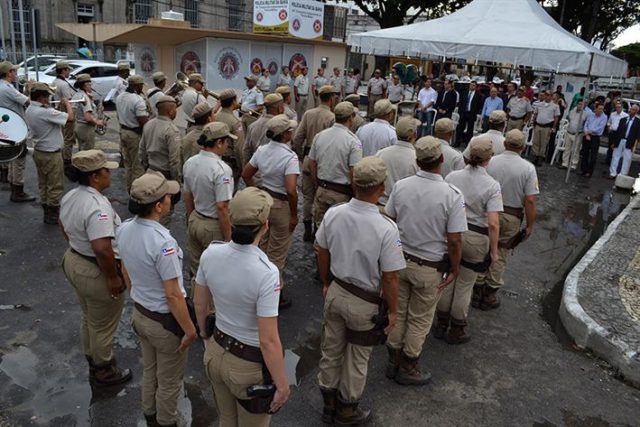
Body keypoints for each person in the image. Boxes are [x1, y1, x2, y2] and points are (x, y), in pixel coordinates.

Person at [316, 156, 405, 425]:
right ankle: (346, 409)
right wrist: (393, 311)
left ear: (354, 185)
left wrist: (326, 282)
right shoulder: (386, 228)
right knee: (356, 357)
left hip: (336, 291)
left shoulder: (335, 213)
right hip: (364, 302)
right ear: (381, 187)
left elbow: (322, 250)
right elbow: (390, 278)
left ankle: (328, 405)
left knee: (331, 348)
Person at [193, 188, 290, 426]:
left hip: (216, 350)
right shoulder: (267, 273)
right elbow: (268, 340)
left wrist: (206, 338)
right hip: (247, 365)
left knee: (227, 420)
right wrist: (282, 384)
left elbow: (199, 302)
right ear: (265, 226)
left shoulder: (211, 253)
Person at [117, 171, 196, 427]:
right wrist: (189, 330)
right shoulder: (164, 242)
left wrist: (138, 294)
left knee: (151, 371)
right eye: (167, 197)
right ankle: (166, 422)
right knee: (170, 380)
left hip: (141, 313)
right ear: (159, 205)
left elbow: (125, 269)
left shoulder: (125, 228)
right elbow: (173, 295)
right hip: (164, 321)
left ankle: (150, 416)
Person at [384, 137, 465, 385]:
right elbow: (454, 240)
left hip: (400, 261)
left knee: (398, 312)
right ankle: (408, 365)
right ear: (441, 159)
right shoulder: (452, 195)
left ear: (417, 161)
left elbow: (389, 221)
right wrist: (455, 267)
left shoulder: (401, 186)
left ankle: (393, 360)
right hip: (429, 267)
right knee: (420, 318)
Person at [59, 149, 132, 386]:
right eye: (106, 170)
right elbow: (102, 248)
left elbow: (63, 225)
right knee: (103, 323)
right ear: (95, 176)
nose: (110, 173)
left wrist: (77, 245)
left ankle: (92, 357)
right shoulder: (97, 206)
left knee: (89, 316)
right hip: (94, 268)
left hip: (75, 259)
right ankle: (104, 368)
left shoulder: (72, 195)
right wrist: (113, 277)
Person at [436, 137, 502, 343]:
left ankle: (441, 322)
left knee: (448, 278)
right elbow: (493, 223)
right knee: (465, 283)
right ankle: (457, 328)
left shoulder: (453, 176)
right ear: (488, 158)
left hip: (453, 232)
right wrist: (493, 250)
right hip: (476, 236)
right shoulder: (492, 185)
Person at [475, 129, 538, 309]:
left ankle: (477, 285)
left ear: (504, 144)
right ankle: (490, 292)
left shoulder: (491, 162)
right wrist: (530, 225)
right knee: (501, 252)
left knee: (485, 247)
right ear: (522, 147)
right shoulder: (528, 168)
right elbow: (531, 200)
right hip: (511, 214)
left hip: (488, 212)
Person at [243, 115, 300, 309]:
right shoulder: (290, 157)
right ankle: (273, 294)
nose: (292, 133)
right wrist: (294, 214)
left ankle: (254, 285)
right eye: (290, 131)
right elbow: (291, 190)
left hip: (265, 200)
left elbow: (246, 174)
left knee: (261, 245)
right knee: (277, 253)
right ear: (285, 135)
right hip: (281, 204)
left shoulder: (262, 150)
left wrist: (256, 191)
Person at [183, 122, 235, 288]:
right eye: (226, 141)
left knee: (197, 268)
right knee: (215, 272)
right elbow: (222, 207)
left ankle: (197, 304)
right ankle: (211, 311)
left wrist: (191, 217)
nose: (227, 145)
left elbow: (188, 194)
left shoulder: (190, 162)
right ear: (219, 142)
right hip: (213, 226)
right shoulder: (222, 169)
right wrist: (229, 239)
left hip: (195, 218)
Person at [292, 85, 337, 241]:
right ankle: (318, 230)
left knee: (307, 197)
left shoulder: (308, 113)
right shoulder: (331, 117)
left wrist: (300, 155)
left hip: (307, 159)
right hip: (323, 162)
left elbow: (297, 138)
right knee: (320, 198)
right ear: (331, 98)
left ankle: (306, 228)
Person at [25, 82, 74, 224]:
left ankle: (47, 209)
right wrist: (67, 104)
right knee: (55, 184)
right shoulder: (44, 112)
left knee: (43, 182)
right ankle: (52, 213)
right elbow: (70, 118)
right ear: (41, 97)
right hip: (51, 153)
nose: (48, 99)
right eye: (46, 96)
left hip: (39, 151)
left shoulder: (30, 109)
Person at [309, 102, 362, 226]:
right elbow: (354, 172)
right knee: (338, 230)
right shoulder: (353, 141)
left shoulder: (320, 136)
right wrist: (356, 196)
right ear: (350, 118)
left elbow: (312, 163)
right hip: (341, 194)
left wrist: (317, 184)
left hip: (322, 189)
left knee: (320, 227)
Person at [0, 60, 35, 202]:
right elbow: (29, 103)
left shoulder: (3, 87)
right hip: (16, 127)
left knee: (12, 157)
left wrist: (26, 91)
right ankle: (18, 190)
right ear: (9, 73)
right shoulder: (8, 88)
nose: (16, 73)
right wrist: (31, 89)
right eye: (14, 71)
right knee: (19, 158)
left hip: (6, 126)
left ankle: (13, 186)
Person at [375, 117, 420, 206]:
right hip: (404, 208)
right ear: (414, 135)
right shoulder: (417, 158)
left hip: (381, 205)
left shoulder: (381, 153)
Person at [116, 75, 149, 192]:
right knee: (138, 167)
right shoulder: (137, 99)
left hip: (123, 132)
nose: (142, 89)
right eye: (141, 86)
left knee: (128, 166)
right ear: (137, 85)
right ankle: (137, 193)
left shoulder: (120, 97)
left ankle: (129, 190)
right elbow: (143, 122)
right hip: (134, 135)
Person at [139, 95, 181, 181]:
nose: (176, 112)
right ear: (170, 112)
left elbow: (142, 151)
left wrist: (147, 168)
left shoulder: (148, 124)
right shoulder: (172, 130)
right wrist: (176, 181)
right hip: (165, 176)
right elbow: (174, 161)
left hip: (150, 171)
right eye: (175, 109)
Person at [215, 89, 245, 190]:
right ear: (233, 102)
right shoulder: (235, 122)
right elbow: (239, 148)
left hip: (214, 159)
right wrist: (241, 168)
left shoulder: (215, 117)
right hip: (229, 162)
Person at [243, 93, 286, 165]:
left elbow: (246, 150)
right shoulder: (280, 127)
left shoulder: (252, 125)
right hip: (272, 169)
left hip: (254, 170)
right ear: (280, 108)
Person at [53, 61, 77, 167]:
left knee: (62, 136)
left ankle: (63, 157)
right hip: (66, 112)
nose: (69, 72)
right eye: (68, 70)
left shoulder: (55, 81)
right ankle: (67, 159)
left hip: (58, 112)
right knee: (68, 138)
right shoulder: (63, 84)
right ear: (63, 70)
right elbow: (69, 100)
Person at [71, 73, 103, 154]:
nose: (91, 86)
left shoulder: (77, 95)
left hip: (78, 126)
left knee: (82, 152)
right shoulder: (85, 98)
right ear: (85, 85)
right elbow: (88, 118)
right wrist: (98, 122)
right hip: (86, 128)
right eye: (90, 84)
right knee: (88, 154)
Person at [609, 104, 640, 179]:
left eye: (632, 109)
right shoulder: (623, 120)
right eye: (630, 109)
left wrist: (635, 145)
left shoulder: (638, 122)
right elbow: (618, 132)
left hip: (629, 142)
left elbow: (638, 135)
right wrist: (614, 142)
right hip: (620, 140)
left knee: (627, 159)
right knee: (615, 156)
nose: (630, 110)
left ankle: (623, 175)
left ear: (636, 111)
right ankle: (613, 173)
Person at [530, 91, 560, 166]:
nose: (547, 97)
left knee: (543, 143)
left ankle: (540, 157)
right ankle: (535, 156)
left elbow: (556, 117)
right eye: (546, 95)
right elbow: (535, 114)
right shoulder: (539, 104)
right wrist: (533, 122)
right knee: (536, 141)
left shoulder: (555, 106)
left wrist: (553, 127)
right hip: (538, 124)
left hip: (547, 126)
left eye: (549, 95)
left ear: (551, 96)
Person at [181, 103, 213, 169]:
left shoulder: (186, 137)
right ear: (209, 119)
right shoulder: (209, 140)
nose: (214, 116)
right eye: (213, 114)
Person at [580, 103, 607, 178]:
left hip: (595, 137)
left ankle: (589, 171)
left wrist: (589, 132)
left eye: (602, 109)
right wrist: (586, 133)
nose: (601, 111)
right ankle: (583, 170)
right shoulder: (591, 115)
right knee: (585, 153)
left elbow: (599, 129)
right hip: (587, 135)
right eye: (599, 109)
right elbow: (586, 124)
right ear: (596, 109)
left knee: (593, 156)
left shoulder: (604, 117)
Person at [561, 100, 589, 171]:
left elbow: (585, 124)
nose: (579, 106)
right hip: (569, 132)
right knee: (567, 149)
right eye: (579, 104)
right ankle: (565, 163)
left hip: (578, 134)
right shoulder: (572, 112)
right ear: (576, 104)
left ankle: (573, 165)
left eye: (581, 104)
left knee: (576, 150)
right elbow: (569, 120)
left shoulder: (585, 114)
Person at [456, 81, 484, 146]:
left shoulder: (478, 95)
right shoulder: (464, 92)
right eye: (471, 85)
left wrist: (475, 112)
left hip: (471, 113)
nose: (472, 86)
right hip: (463, 113)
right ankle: (457, 142)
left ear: (476, 87)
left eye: (473, 85)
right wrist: (460, 111)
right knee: (460, 128)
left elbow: (479, 105)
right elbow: (461, 102)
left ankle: (467, 143)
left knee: (470, 129)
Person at [605, 101, 628, 167]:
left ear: (622, 108)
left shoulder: (625, 116)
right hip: (612, 132)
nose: (618, 108)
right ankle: (607, 161)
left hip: (619, 133)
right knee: (609, 146)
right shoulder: (612, 114)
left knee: (616, 147)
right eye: (616, 107)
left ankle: (614, 162)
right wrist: (609, 127)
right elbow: (609, 122)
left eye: (619, 107)